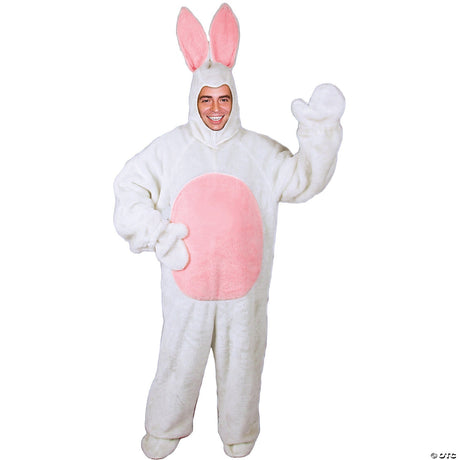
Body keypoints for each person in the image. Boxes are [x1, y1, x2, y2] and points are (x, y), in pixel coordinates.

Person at [113, 4, 344, 459]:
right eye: (206, 99)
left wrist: (318, 133)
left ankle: (239, 431)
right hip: (187, 286)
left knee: (244, 360)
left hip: (245, 290)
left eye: (223, 98)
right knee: (178, 357)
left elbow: (302, 179)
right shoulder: (171, 150)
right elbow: (128, 187)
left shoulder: (258, 151)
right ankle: (165, 426)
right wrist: (158, 233)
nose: (215, 108)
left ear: (234, 98)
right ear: (193, 100)